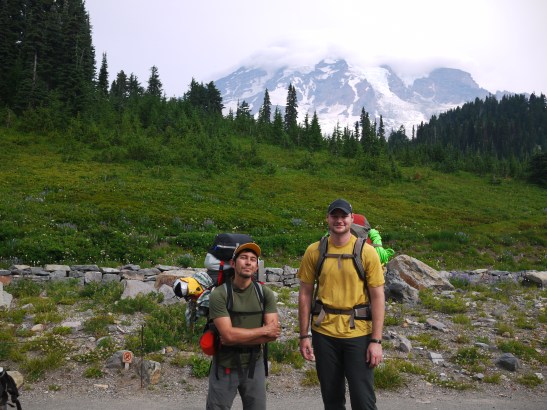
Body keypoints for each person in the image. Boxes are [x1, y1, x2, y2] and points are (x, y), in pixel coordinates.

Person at [297, 199, 385, 410]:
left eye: (343, 216)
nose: (339, 221)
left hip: (359, 335)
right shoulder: (314, 251)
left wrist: (376, 341)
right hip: (324, 334)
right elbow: (305, 294)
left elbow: (378, 297)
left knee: (363, 400)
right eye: (334, 216)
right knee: (332, 399)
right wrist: (304, 335)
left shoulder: (367, 252)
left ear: (351, 219)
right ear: (327, 219)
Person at [206, 242, 281, 410]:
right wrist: (262, 331)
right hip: (225, 364)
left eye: (253, 259)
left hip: (255, 364)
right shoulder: (219, 294)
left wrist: (235, 337)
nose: (248, 262)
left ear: (256, 266)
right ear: (233, 263)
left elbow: (273, 334)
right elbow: (228, 336)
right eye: (244, 258)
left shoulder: (264, 293)